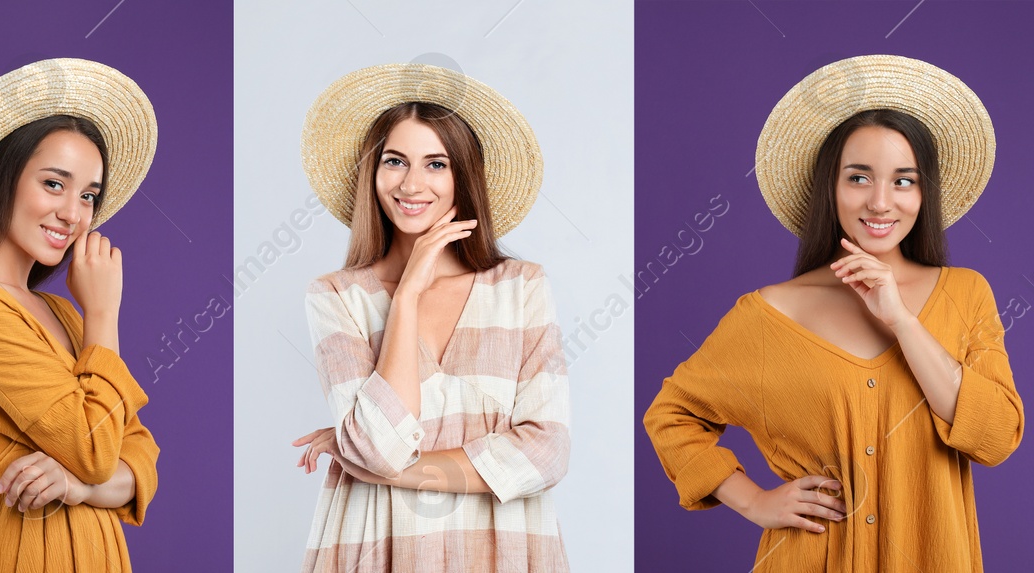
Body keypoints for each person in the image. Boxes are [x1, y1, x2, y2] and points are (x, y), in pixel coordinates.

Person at [644, 55, 1021, 571]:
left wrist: (903, 322)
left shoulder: (966, 294)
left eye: (904, 181)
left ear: (924, 192)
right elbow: (671, 414)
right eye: (859, 177)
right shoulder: (768, 313)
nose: (881, 202)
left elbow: (996, 438)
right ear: (832, 186)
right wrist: (754, 501)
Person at [290, 63, 571, 572]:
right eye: (395, 161)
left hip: (502, 552)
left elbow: (546, 453)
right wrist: (408, 296)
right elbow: (377, 448)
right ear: (372, 175)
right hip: (377, 548)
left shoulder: (521, 287)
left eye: (436, 164)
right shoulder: (336, 296)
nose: (412, 183)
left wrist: (376, 465)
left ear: (463, 176)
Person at [0, 58, 161, 572]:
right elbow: (95, 447)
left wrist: (78, 485)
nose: (74, 213)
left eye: (89, 195)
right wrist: (105, 311)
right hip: (22, 556)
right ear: (2, 179)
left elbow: (141, 453)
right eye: (54, 184)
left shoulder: (61, 312)